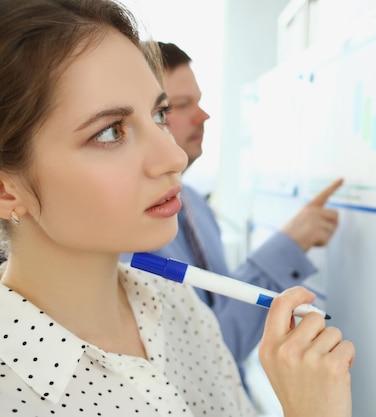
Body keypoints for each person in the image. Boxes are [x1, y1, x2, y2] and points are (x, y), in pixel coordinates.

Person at [0, 0, 354, 416]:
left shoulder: (181, 309)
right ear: (7, 191)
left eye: (160, 113)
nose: (174, 158)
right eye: (111, 131)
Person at [124, 41, 343, 372]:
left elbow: (220, 309)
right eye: (179, 105)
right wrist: (287, 247)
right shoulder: (123, 238)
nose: (204, 115)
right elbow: (208, 359)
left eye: (199, 101)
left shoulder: (195, 205)